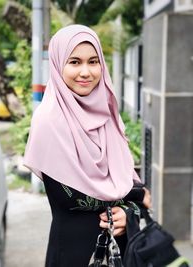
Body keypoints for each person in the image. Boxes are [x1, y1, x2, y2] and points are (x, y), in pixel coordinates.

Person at [24, 24, 151, 267]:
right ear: (58, 64)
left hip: (121, 252)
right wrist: (134, 197)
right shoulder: (49, 122)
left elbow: (131, 187)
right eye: (74, 62)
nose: (86, 72)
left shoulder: (108, 115)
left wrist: (129, 212)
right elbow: (72, 198)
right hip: (74, 254)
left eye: (93, 62)